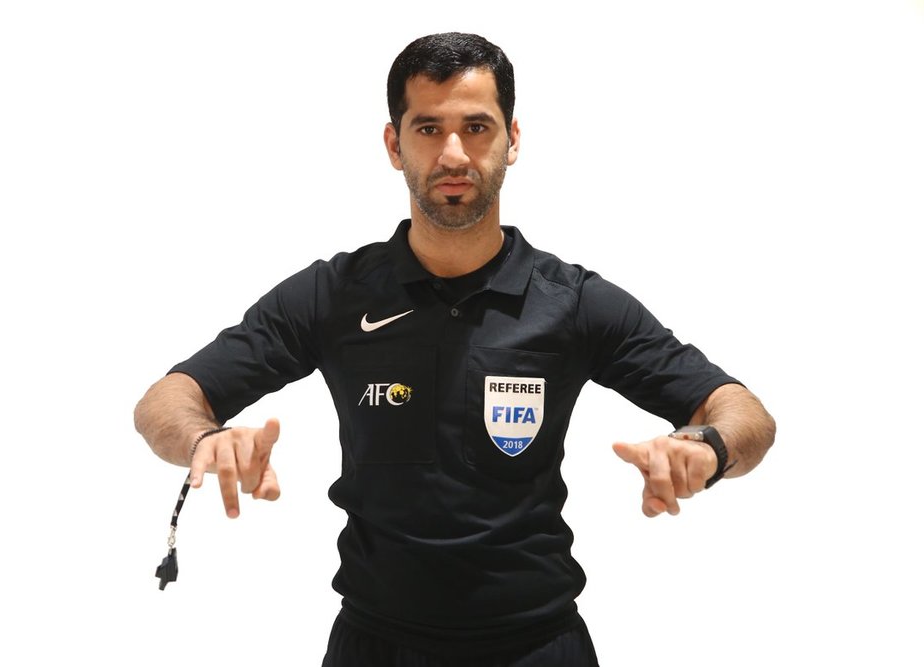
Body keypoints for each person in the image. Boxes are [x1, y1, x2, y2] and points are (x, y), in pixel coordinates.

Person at [134, 32, 776, 667]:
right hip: (374, 644)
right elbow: (166, 401)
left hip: (537, 644)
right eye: (428, 128)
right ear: (394, 144)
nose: (453, 154)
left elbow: (744, 414)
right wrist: (202, 440)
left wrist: (709, 448)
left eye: (476, 127)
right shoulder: (334, 294)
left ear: (512, 139)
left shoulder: (573, 302)